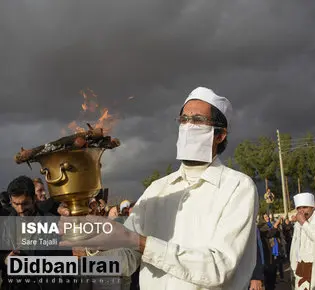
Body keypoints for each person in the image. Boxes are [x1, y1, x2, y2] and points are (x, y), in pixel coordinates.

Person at [61, 86, 258, 290]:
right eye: (183, 120)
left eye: (198, 120)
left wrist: (140, 242)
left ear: (220, 135)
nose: (188, 126)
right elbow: (128, 258)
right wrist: (93, 247)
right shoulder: (157, 189)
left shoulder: (237, 187)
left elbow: (218, 269)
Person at [0, 176, 76, 290]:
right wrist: (6, 259)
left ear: (34, 199)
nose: (20, 209)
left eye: (25, 203)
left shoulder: (53, 223)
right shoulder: (6, 224)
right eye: (16, 204)